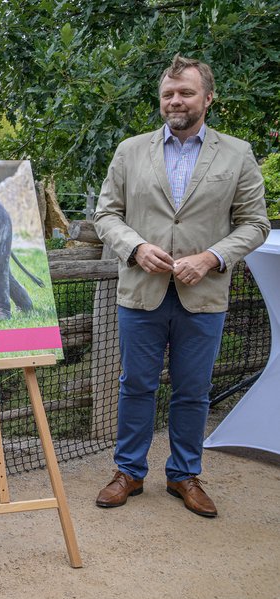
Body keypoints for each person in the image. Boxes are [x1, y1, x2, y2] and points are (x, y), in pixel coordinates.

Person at [91, 55, 269, 518]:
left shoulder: (238, 153)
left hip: (204, 294)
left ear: (208, 98)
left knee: (194, 392)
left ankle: (184, 475)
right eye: (169, 93)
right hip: (141, 292)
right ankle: (128, 472)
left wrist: (213, 256)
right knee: (135, 387)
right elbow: (106, 214)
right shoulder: (131, 151)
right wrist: (134, 248)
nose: (175, 100)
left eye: (186, 92)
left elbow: (255, 224)